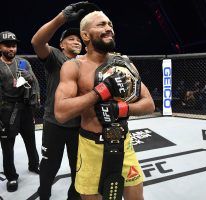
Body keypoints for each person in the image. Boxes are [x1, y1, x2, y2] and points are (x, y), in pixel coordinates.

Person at [54, 11, 155, 200]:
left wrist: (123, 109)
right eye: (101, 25)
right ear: (85, 35)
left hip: (123, 143)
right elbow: (60, 112)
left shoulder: (124, 64)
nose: (109, 28)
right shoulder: (73, 67)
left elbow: (149, 104)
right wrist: (99, 92)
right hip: (91, 146)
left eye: (110, 24)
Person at [31, 2, 98, 199]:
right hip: (55, 122)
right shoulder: (55, 57)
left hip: (80, 124)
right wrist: (62, 17)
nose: (76, 41)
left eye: (79, 39)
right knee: (49, 165)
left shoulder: (86, 61)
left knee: (78, 166)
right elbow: (37, 42)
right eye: (71, 39)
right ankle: (44, 194)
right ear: (61, 44)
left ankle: (74, 196)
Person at [0, 31, 40, 192]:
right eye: (7, 45)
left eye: (14, 45)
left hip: (24, 108)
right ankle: (11, 177)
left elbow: (33, 80)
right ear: (0, 47)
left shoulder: (22, 62)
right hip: (6, 110)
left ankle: (34, 165)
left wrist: (34, 101)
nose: (11, 48)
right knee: (7, 146)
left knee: (30, 139)